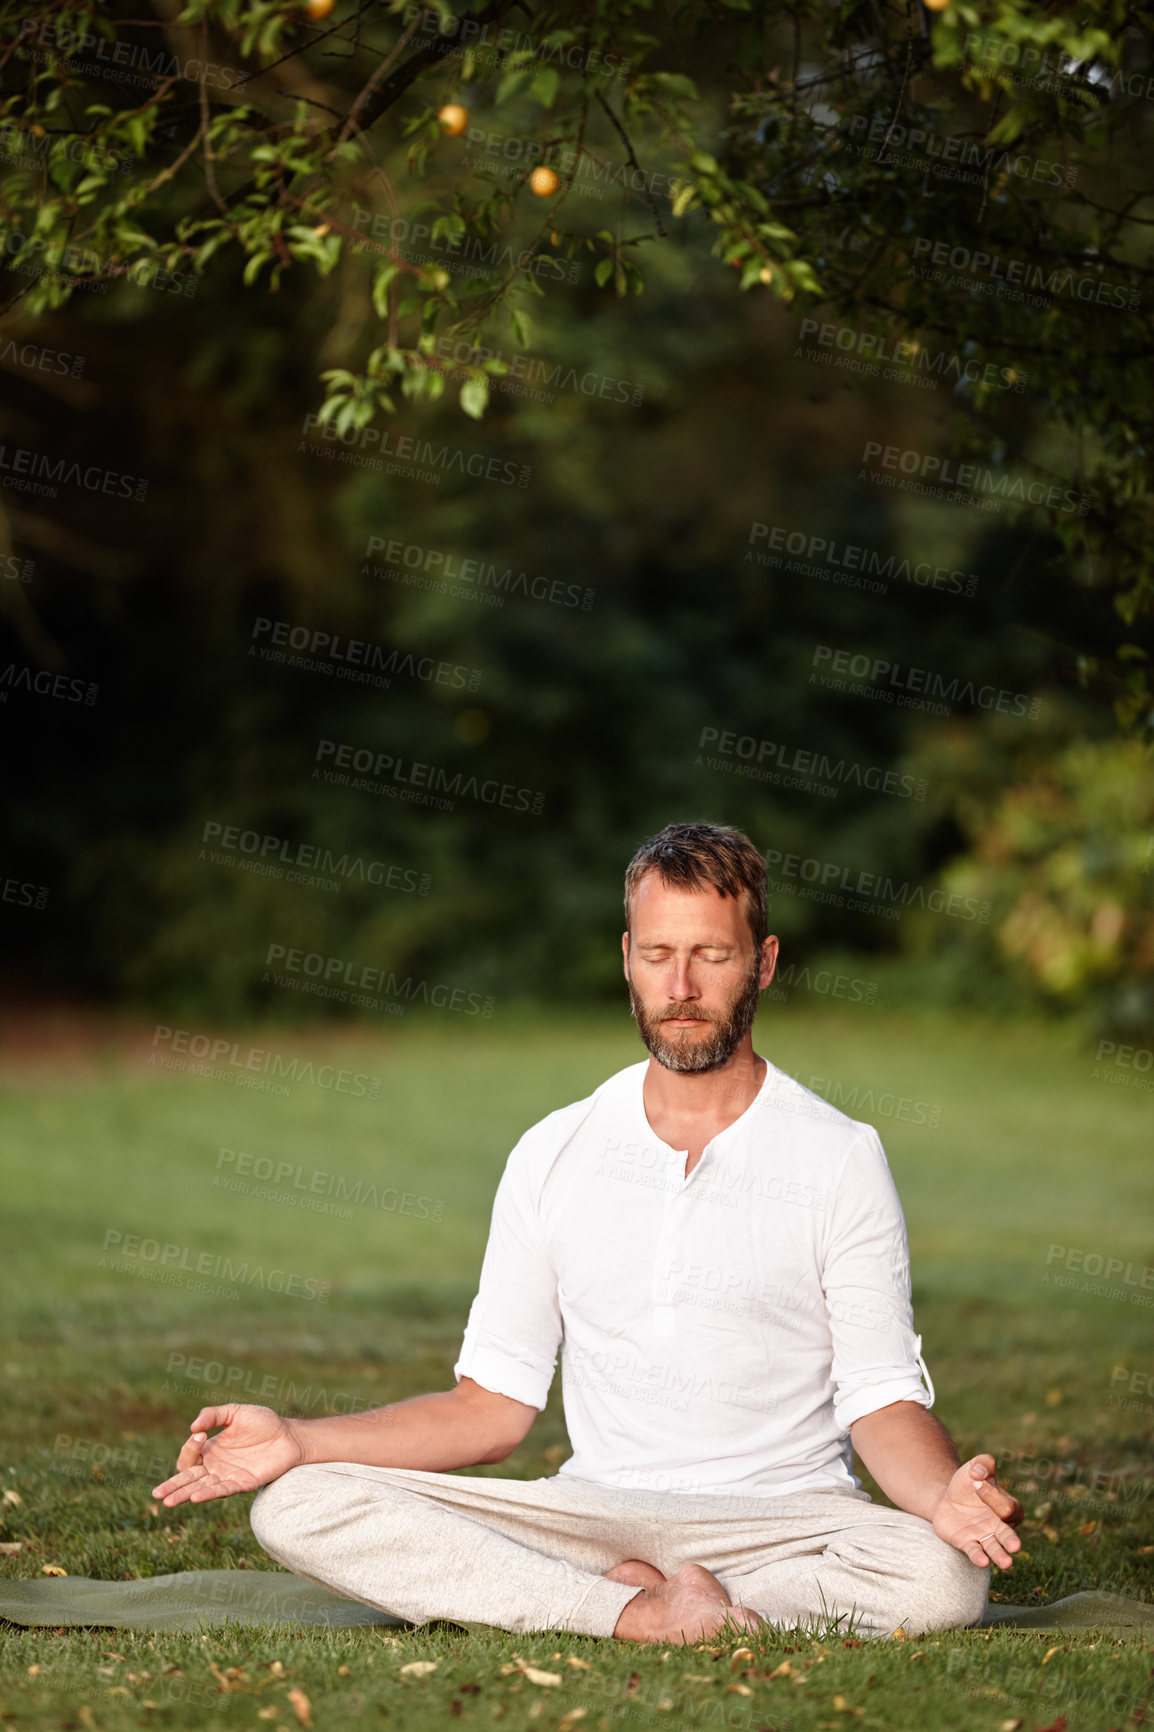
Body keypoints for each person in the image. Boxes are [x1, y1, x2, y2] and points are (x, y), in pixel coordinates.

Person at [153, 821, 1022, 1644]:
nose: (680, 989)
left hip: (783, 1520)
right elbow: (490, 1411)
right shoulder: (553, 1150)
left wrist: (943, 1497)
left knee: (940, 1575)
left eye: (711, 956)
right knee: (299, 1503)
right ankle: (650, 1610)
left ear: (762, 964)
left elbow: (879, 1399)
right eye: (658, 956)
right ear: (626, 961)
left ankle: (648, 1601)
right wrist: (301, 1441)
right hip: (596, 1515)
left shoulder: (840, 1157)